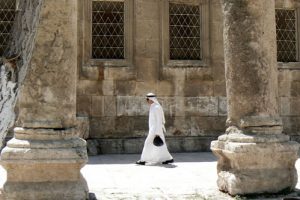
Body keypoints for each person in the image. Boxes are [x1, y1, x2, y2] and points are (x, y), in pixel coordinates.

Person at [136, 93, 174, 165]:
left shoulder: (156, 107)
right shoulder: (153, 107)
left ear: (151, 99)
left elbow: (159, 120)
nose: (147, 101)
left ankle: (143, 160)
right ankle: (169, 158)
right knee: (161, 145)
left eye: (147, 99)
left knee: (148, 143)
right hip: (153, 129)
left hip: (156, 130)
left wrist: (157, 132)